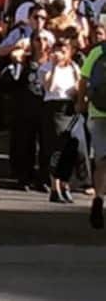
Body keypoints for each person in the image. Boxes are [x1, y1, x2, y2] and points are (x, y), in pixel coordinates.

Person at [0, 31, 52, 190]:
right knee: (25, 144)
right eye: (37, 39)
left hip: (46, 109)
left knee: (46, 146)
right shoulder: (24, 61)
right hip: (25, 108)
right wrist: (17, 63)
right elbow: (10, 81)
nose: (41, 43)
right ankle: (24, 177)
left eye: (44, 39)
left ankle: (44, 179)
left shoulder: (52, 63)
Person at [39, 39, 80, 203]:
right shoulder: (46, 67)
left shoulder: (73, 67)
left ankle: (65, 185)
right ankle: (54, 187)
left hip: (68, 108)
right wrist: (55, 66)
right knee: (55, 149)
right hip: (53, 109)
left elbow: (77, 89)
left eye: (63, 50)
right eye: (57, 50)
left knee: (69, 148)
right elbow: (49, 86)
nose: (60, 54)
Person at [78, 29, 106, 229]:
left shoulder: (97, 51)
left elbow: (83, 79)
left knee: (101, 160)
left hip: (97, 111)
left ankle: (98, 197)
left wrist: (81, 103)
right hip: (98, 112)